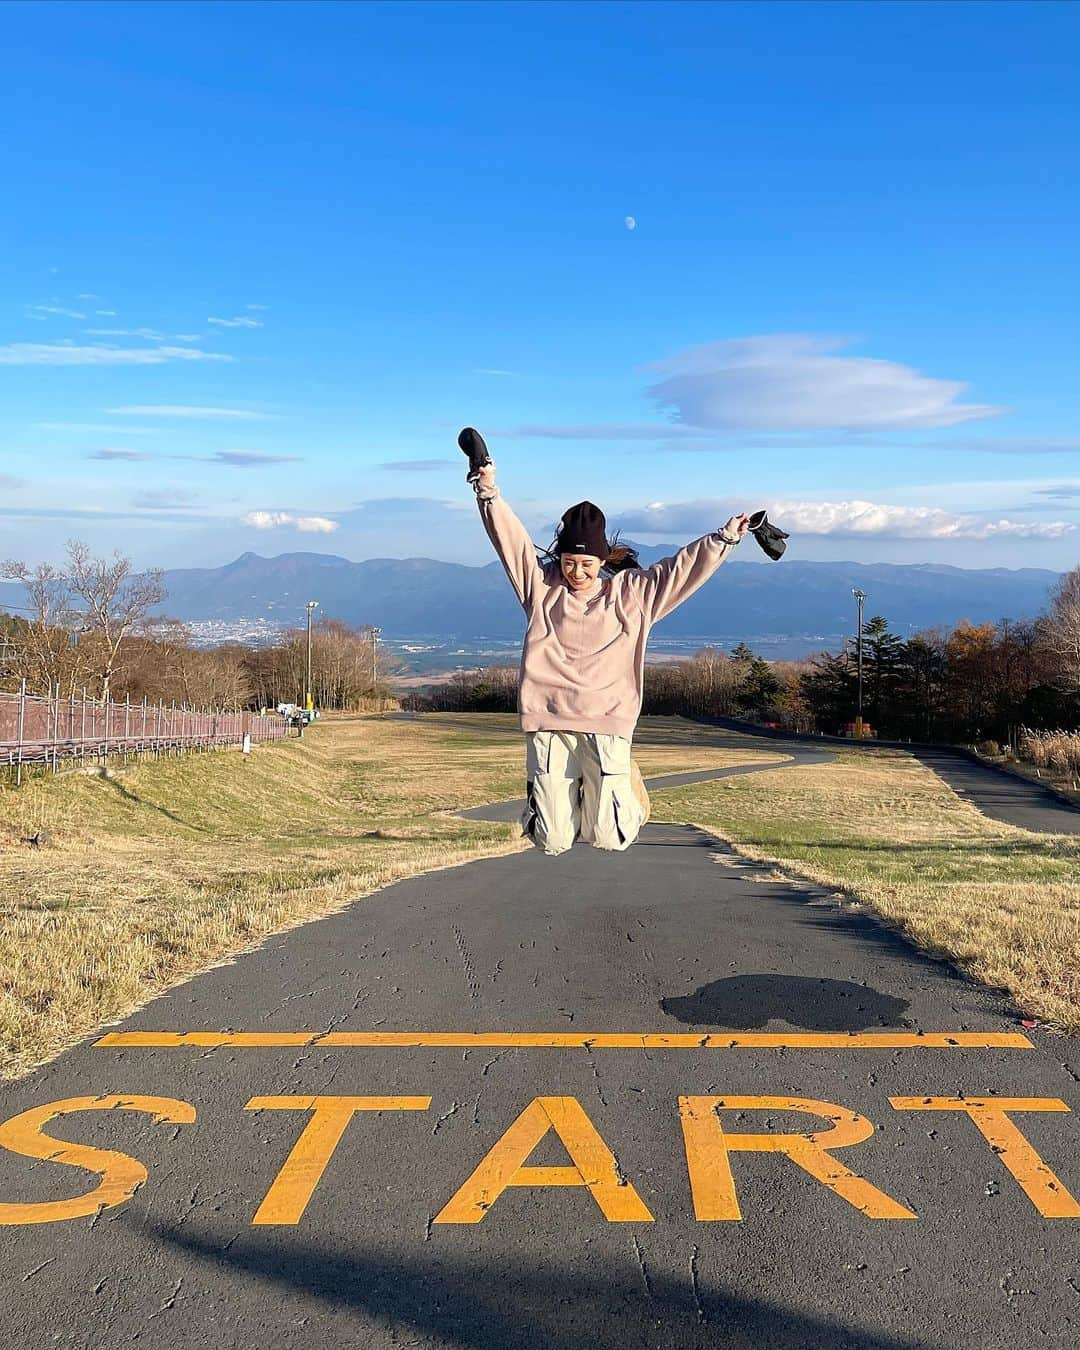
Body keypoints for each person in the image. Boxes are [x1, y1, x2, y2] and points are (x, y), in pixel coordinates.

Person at [470, 438, 750, 856]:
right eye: (568, 562)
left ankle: (627, 786)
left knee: (610, 838)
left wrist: (723, 539)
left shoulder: (632, 595)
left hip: (609, 719)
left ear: (602, 561)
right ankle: (578, 796)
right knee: (551, 840)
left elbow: (681, 571)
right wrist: (487, 488)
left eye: (586, 564)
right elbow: (508, 541)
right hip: (549, 719)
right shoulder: (541, 587)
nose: (577, 572)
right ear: (559, 558)